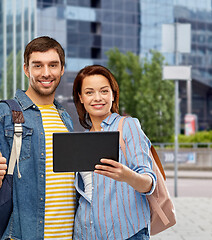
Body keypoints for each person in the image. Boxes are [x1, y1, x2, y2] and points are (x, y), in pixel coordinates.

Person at [0, 36, 76, 240]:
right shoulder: (5, 113)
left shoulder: (64, 118)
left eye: (53, 65)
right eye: (38, 65)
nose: (46, 73)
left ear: (62, 69)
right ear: (26, 69)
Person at [72, 65, 157, 240]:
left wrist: (127, 176)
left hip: (126, 233)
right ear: (80, 97)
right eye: (89, 92)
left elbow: (149, 184)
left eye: (104, 91)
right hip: (85, 232)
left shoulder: (128, 126)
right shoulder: (82, 140)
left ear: (113, 94)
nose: (97, 98)